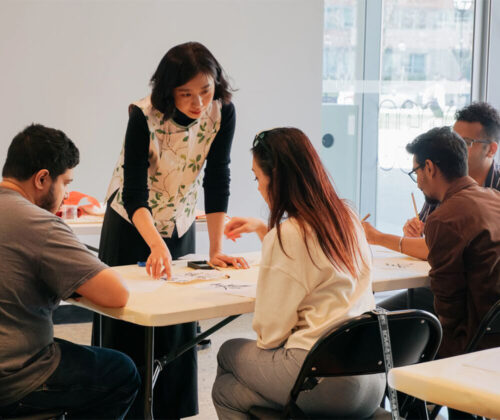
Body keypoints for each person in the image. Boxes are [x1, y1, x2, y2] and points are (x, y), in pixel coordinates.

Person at [96, 41, 247, 419]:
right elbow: (134, 192)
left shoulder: (222, 111)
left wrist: (215, 248)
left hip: (179, 221)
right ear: (168, 91)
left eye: (206, 90)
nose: (198, 102)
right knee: (129, 320)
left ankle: (172, 411)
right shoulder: (143, 116)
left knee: (178, 325)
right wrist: (154, 244)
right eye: (186, 94)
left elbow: (218, 178)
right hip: (133, 223)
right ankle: (127, 409)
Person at [212, 128, 385, 419]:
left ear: (275, 177)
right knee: (232, 388)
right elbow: (312, 258)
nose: (257, 187)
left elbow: (270, 336)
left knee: (228, 357)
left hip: (323, 380)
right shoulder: (347, 218)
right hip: (370, 379)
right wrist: (260, 229)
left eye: (257, 177)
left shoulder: (289, 235)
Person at [0, 124, 140, 419]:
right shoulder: (39, 224)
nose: (67, 194)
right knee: (121, 371)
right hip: (15, 378)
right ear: (42, 179)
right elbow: (116, 294)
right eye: (66, 183)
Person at [364, 102, 500, 313]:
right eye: (455, 140)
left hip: (473, 313)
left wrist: (379, 237)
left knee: (371, 322)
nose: (457, 148)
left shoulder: (453, 200)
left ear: (491, 149)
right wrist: (417, 233)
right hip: (481, 311)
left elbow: (449, 310)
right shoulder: (453, 191)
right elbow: (429, 238)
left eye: (465, 142)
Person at [405, 126, 500, 358]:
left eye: (416, 172)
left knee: (395, 328)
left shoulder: (444, 218)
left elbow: (449, 310)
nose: (417, 183)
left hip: (476, 344)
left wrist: (435, 366)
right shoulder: (494, 198)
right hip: (493, 331)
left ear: (429, 167)